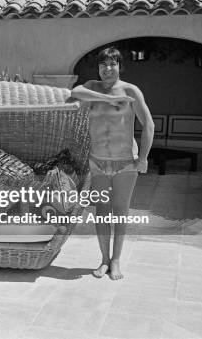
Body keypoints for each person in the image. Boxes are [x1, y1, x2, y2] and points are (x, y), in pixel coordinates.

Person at [70, 47, 154, 280]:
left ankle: (116, 261)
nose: (107, 69)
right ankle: (104, 260)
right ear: (98, 68)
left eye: (112, 64)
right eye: (103, 65)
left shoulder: (131, 91)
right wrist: (109, 98)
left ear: (120, 66)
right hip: (97, 161)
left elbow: (148, 125)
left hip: (125, 162)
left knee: (120, 214)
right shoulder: (90, 87)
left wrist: (144, 158)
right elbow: (75, 92)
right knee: (102, 214)